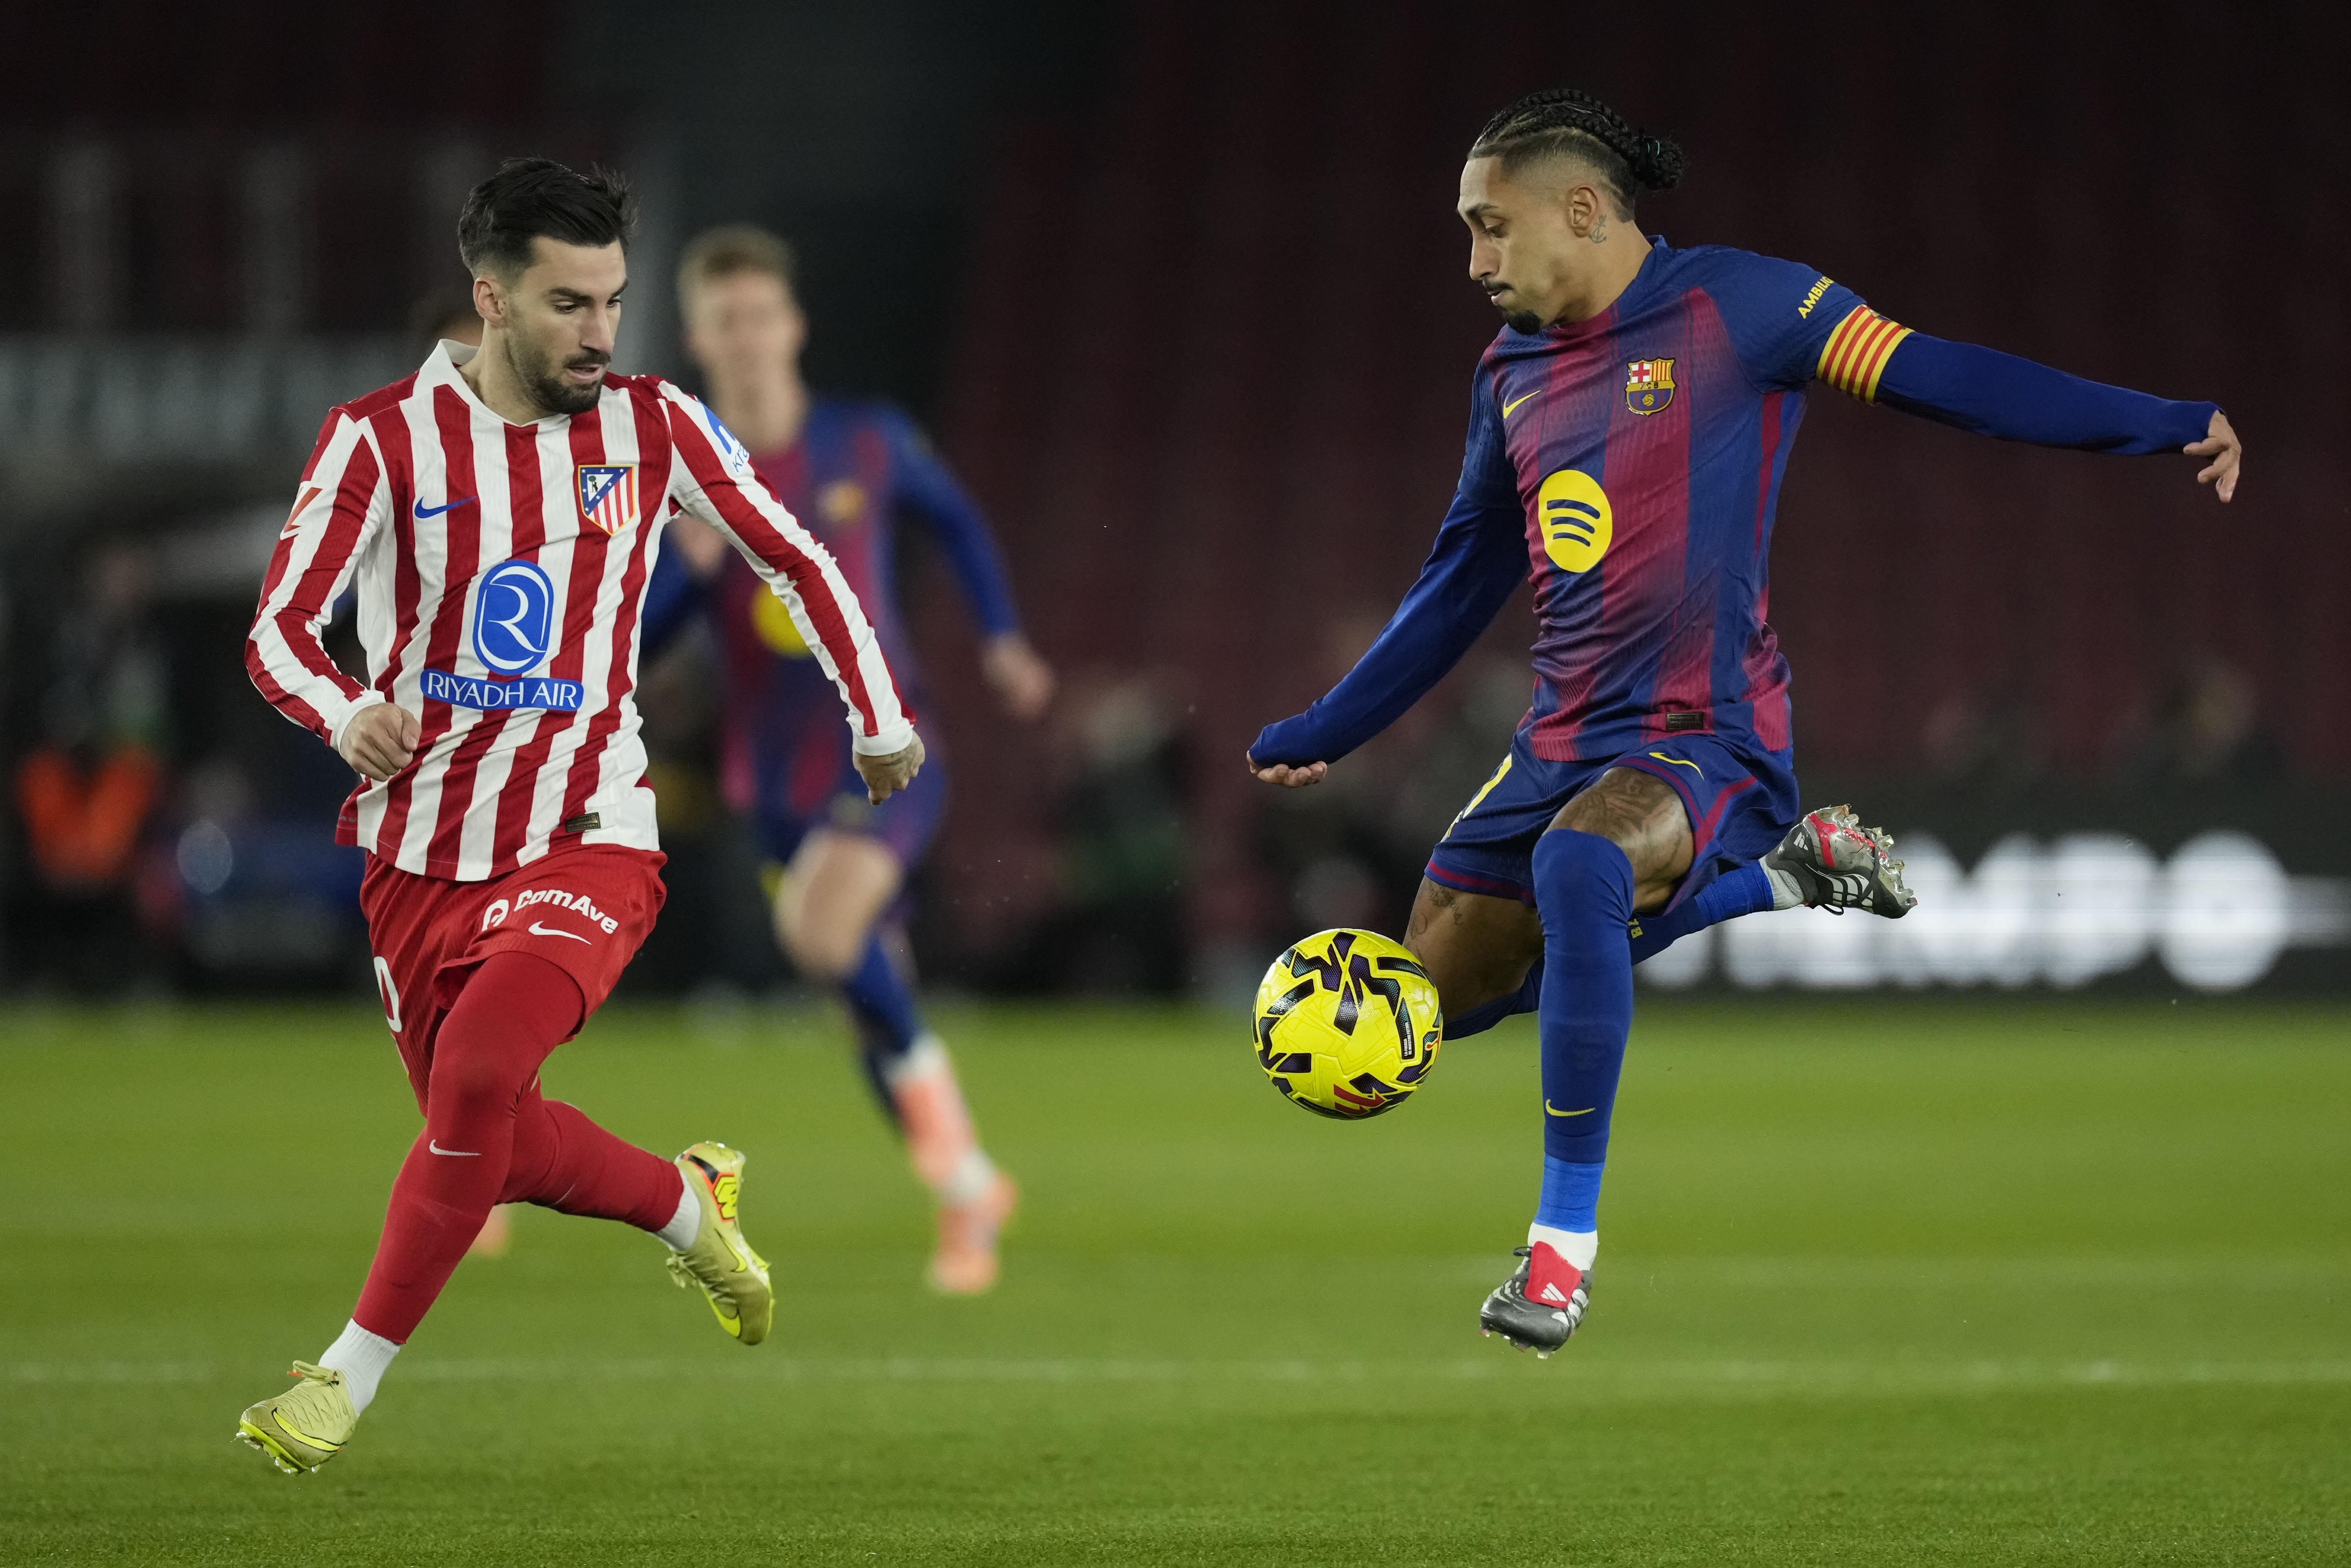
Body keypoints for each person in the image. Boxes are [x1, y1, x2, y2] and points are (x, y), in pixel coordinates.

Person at [1246, 88, 2241, 1357]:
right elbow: (1461, 584)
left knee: (1581, 865)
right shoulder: (1511, 376)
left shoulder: (1745, 309)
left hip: (1708, 734)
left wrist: (2161, 424)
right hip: (1559, 740)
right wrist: (1336, 721)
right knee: (1429, 1009)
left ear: (1585, 210)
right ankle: (1781, 881)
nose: (1477, 261)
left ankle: (1561, 1254)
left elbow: (1943, 376)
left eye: (1492, 228)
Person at [236, 158, 924, 1472]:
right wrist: (340, 712)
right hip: (418, 853)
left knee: (483, 1081)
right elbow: (278, 632)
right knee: (483, 1135)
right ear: (489, 300)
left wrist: (876, 714)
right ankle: (688, 1207)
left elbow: (800, 554)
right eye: (568, 305)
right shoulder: (378, 441)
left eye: (612, 302)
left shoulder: (655, 427)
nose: (602, 333)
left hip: (588, 835)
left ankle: (341, 1382)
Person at [638, 224, 1049, 1293]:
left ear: (794, 324)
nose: (747, 338)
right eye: (725, 321)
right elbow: (643, 637)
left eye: (761, 315)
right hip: (771, 789)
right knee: (869, 1001)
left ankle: (967, 1184)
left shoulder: (866, 441)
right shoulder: (690, 480)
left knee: (820, 932)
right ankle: (965, 1193)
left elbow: (956, 525)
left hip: (887, 755)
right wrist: (676, 578)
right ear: (698, 336)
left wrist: (1001, 635)